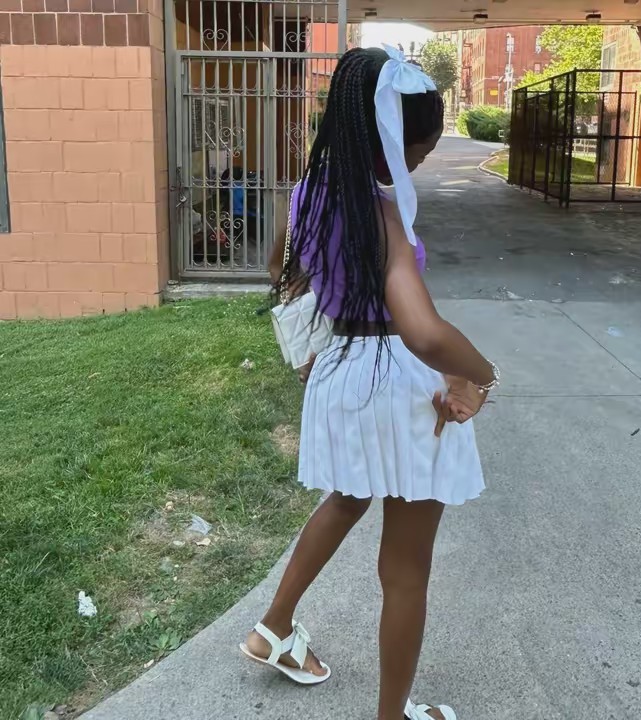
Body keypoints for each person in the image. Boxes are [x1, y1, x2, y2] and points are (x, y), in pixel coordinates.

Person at [242, 46, 499, 720]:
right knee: (405, 572)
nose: (419, 164)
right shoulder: (383, 214)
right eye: (419, 151)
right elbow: (423, 331)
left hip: (341, 374)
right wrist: (483, 374)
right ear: (388, 139)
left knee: (348, 497)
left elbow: (279, 268)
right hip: (402, 383)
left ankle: (273, 627)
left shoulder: (307, 194)